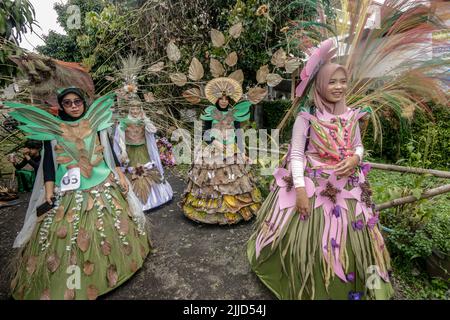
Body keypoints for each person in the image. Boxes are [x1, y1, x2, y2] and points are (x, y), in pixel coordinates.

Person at [247, 55, 394, 299]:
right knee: (307, 243)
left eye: (343, 81)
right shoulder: (306, 118)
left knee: (354, 241)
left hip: (348, 190)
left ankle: (358, 286)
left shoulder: (352, 116)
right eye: (332, 82)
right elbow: (295, 154)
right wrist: (301, 191)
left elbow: (358, 146)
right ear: (320, 85)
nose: (339, 87)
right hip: (314, 189)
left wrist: (356, 159)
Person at [5, 87, 150, 300]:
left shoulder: (96, 123)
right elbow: (47, 164)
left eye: (77, 102)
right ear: (61, 106)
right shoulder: (53, 131)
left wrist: (119, 175)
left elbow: (110, 151)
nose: (74, 106)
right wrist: (48, 191)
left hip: (101, 181)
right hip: (69, 189)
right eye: (68, 103)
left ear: (84, 103)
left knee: (110, 225)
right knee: (61, 233)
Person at [181, 77, 262, 225]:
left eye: (226, 98)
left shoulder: (234, 113)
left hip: (232, 149)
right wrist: (214, 142)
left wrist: (242, 152)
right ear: (216, 99)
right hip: (214, 149)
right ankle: (211, 209)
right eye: (221, 98)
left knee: (234, 179)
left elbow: (238, 133)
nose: (223, 101)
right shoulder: (209, 112)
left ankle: (234, 209)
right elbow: (204, 132)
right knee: (213, 178)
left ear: (229, 99)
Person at [114, 98, 173, 211]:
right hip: (131, 151)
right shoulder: (124, 121)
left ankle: (155, 197)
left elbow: (153, 130)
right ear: (129, 109)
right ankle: (137, 199)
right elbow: (120, 138)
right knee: (133, 171)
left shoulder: (143, 120)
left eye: (137, 108)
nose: (135, 111)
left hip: (143, 149)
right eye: (132, 108)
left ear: (140, 109)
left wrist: (146, 120)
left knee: (147, 169)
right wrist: (123, 151)